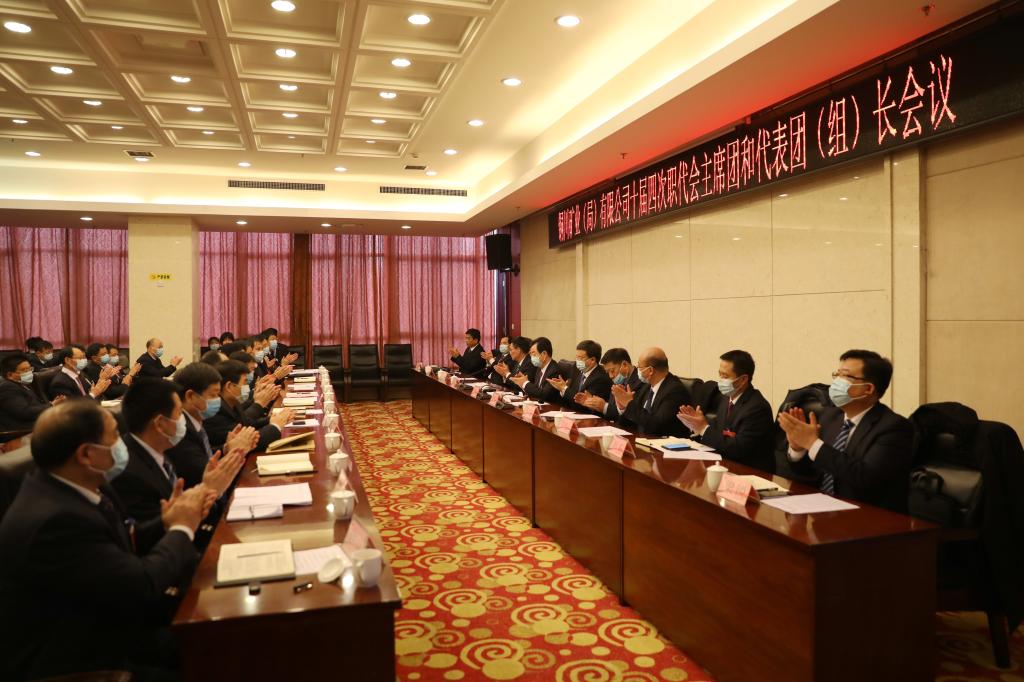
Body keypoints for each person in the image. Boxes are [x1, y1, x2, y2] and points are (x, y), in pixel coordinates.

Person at [0, 400, 213, 681]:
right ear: (86, 454)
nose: (122, 443)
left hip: (116, 625)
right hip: (85, 662)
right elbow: (141, 585)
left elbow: (122, 541)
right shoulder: (55, 521)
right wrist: (182, 528)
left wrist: (166, 521)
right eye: (114, 436)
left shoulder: (79, 485)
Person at [778, 349, 913, 513]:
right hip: (822, 512)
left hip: (867, 516)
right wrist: (798, 448)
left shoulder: (894, 428)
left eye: (846, 376)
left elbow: (865, 478)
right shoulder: (830, 416)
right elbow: (809, 472)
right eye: (837, 375)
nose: (837, 382)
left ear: (868, 388)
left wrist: (812, 444)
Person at [113, 378, 244, 526]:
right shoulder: (131, 473)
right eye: (179, 412)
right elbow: (161, 529)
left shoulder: (157, 449)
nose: (183, 419)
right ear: (160, 424)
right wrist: (208, 489)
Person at [677, 350, 775, 474]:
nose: (721, 381)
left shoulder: (757, 408)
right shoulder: (726, 399)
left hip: (752, 473)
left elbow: (738, 449)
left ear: (743, 379)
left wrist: (703, 428)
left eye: (725, 376)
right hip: (726, 466)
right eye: (720, 375)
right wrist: (697, 426)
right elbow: (719, 434)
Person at [166, 362, 259, 489]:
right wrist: (233, 452)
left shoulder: (196, 420)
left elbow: (206, 455)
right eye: (213, 395)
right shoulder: (180, 430)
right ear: (190, 396)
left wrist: (226, 448)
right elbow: (203, 474)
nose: (218, 400)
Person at [205, 360, 292, 452]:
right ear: (230, 386)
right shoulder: (217, 411)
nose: (247, 386)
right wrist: (275, 426)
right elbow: (244, 442)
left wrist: (273, 419)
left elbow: (247, 422)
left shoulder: (233, 403)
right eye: (245, 382)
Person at [613, 348, 691, 437]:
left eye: (639, 367)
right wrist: (623, 407)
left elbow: (656, 426)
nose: (637, 370)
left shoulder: (675, 391)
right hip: (642, 440)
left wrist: (628, 403)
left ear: (650, 370)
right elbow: (636, 419)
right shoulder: (646, 386)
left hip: (664, 442)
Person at [0, 354, 63, 430]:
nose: (29, 372)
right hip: (21, 430)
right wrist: (51, 405)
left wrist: (53, 403)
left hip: (35, 423)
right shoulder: (7, 388)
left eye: (30, 369)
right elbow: (24, 412)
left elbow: (35, 405)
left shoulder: (23, 384)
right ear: (10, 375)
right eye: (25, 370)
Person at [578, 348, 641, 418]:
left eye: (612, 371)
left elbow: (635, 415)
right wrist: (594, 404)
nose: (611, 376)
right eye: (608, 372)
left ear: (625, 364)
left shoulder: (640, 382)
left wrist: (604, 407)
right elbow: (612, 410)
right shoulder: (616, 381)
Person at [551, 340, 611, 412]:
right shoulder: (577, 370)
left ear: (592, 360)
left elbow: (583, 404)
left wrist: (564, 389)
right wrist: (562, 389)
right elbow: (570, 397)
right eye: (576, 357)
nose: (577, 361)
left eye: (580, 358)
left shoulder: (600, 378)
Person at [509, 336, 563, 403]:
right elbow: (536, 389)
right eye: (531, 354)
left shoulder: (554, 370)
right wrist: (523, 385)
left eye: (533, 354)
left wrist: (525, 383)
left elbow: (544, 394)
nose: (531, 357)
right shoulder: (539, 368)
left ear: (544, 354)